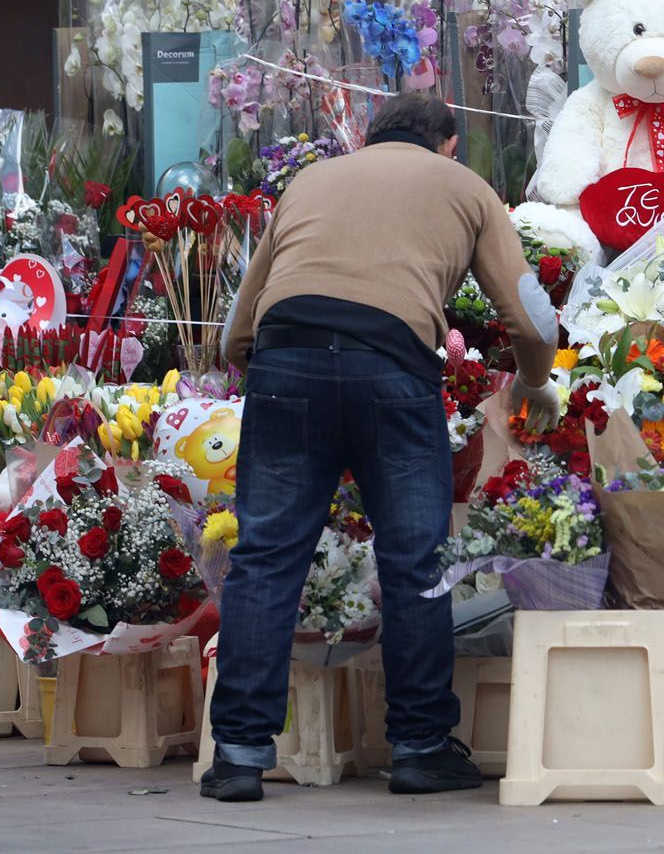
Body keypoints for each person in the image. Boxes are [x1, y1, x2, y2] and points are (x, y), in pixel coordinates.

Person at [203, 95, 559, 802]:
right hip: (392, 370)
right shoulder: (466, 189)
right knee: (415, 561)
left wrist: (270, 370)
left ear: (370, 140)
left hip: (286, 359)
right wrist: (534, 382)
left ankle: (240, 755)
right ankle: (421, 748)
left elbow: (239, 323)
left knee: (267, 555)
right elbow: (530, 312)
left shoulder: (312, 180)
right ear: (448, 145)